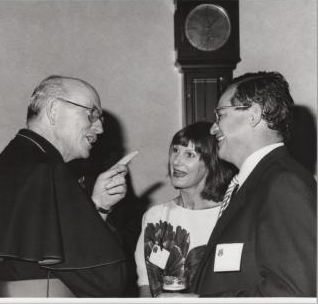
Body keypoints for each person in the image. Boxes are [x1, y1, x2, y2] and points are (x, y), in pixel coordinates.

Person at [0, 75, 131, 297]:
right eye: (92, 115)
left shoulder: (13, 160)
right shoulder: (48, 172)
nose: (98, 128)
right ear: (53, 110)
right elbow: (107, 280)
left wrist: (97, 206)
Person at [191, 71, 316, 296]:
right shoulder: (255, 183)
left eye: (220, 115)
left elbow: (293, 295)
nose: (212, 128)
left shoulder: (285, 185)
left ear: (253, 114)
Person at [134, 122, 236, 297]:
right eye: (175, 150)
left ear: (211, 162)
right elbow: (145, 283)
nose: (176, 161)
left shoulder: (227, 218)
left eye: (189, 154)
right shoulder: (155, 216)